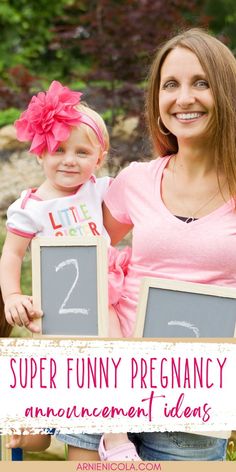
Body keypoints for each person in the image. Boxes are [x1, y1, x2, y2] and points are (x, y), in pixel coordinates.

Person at [73, 28, 236, 461]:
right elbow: (79, 255)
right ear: (158, 103)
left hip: (191, 409)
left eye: (201, 82)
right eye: (171, 85)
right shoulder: (135, 181)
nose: (184, 97)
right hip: (106, 395)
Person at [0, 80, 139, 461]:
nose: (69, 160)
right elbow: (11, 255)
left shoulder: (99, 190)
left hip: (103, 293)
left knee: (113, 352)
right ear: (39, 153)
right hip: (58, 304)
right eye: (58, 149)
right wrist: (13, 295)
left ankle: (114, 434)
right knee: (57, 368)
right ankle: (32, 433)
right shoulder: (32, 207)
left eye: (82, 152)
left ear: (100, 156)